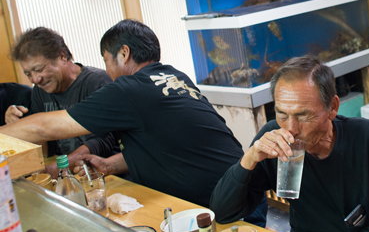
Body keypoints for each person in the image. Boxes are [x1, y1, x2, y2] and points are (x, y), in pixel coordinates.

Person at [0, 20, 253, 218]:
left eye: (106, 60)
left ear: (124, 54)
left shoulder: (126, 89)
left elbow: (43, 127)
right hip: (243, 188)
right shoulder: (174, 76)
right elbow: (168, 145)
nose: (107, 70)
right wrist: (110, 165)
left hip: (224, 205)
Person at [211, 56, 369, 232]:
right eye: (282, 113)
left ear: (332, 107)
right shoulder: (275, 139)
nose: (291, 128)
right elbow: (223, 212)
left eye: (303, 115)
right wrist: (250, 158)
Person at [4, 27, 118, 175]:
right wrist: (20, 124)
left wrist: (58, 169)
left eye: (39, 69)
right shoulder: (40, 91)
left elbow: (104, 141)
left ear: (62, 56)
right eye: (28, 74)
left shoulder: (97, 82)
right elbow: (47, 150)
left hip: (105, 173)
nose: (35, 79)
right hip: (69, 173)